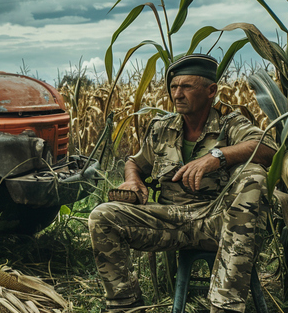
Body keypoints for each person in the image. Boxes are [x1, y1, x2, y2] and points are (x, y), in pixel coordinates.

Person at [88, 54, 277, 313]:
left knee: (254, 175)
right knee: (102, 216)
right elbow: (134, 161)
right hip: (169, 221)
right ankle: (125, 305)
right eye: (174, 87)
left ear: (211, 91)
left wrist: (217, 157)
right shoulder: (161, 128)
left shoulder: (229, 124)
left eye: (186, 86)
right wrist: (132, 180)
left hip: (219, 221)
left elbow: (268, 147)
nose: (177, 94)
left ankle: (225, 306)